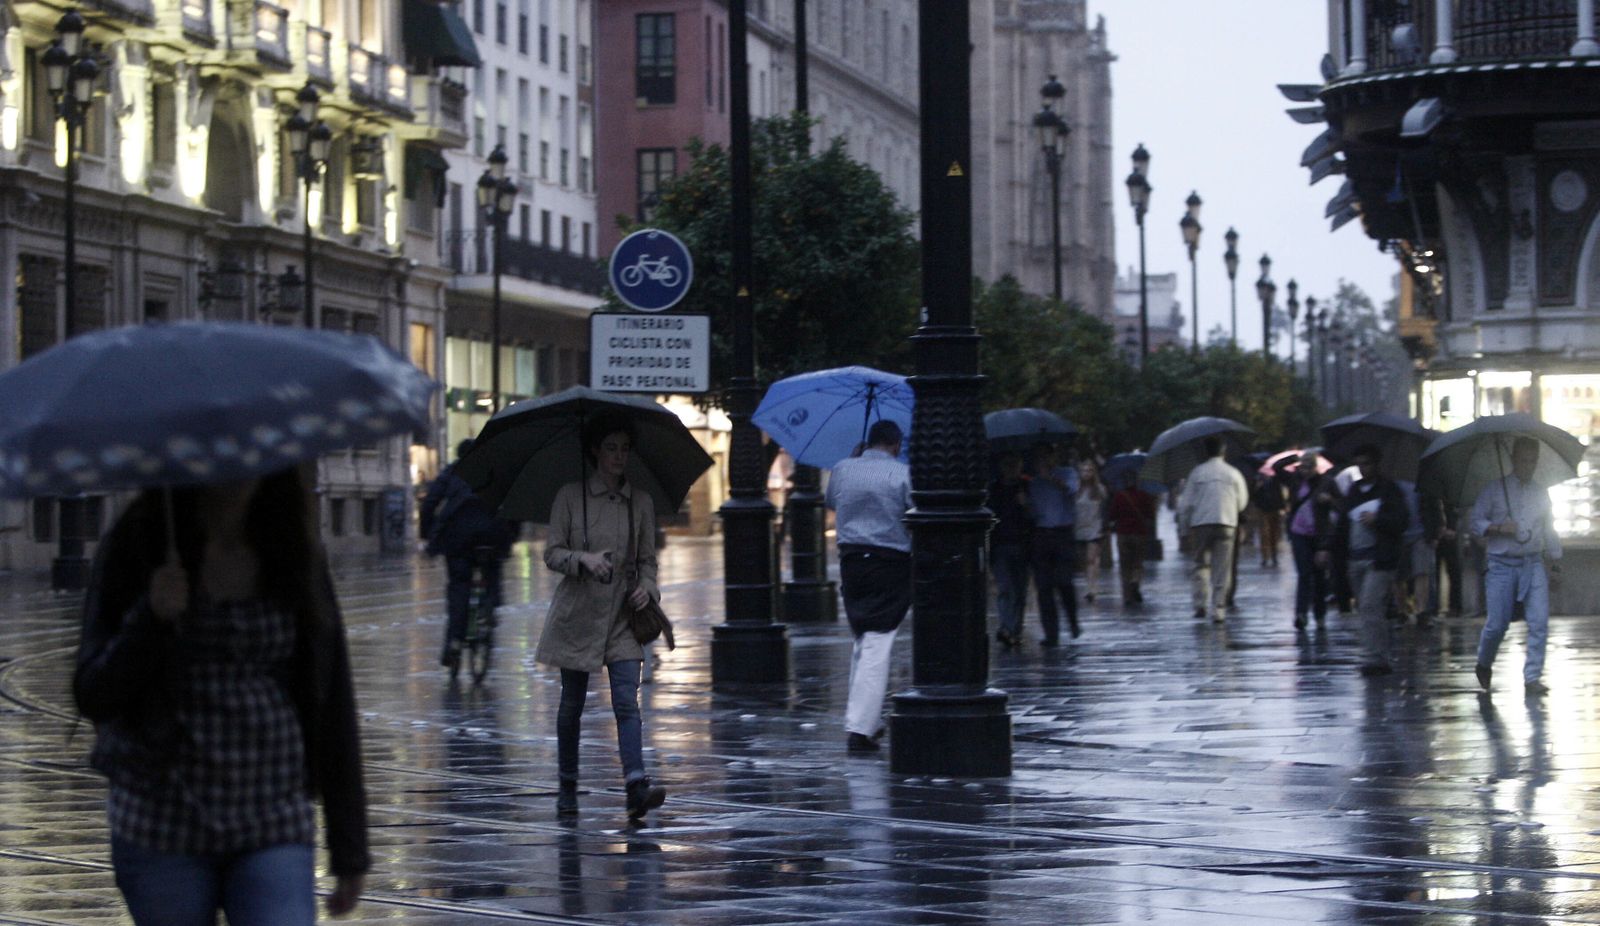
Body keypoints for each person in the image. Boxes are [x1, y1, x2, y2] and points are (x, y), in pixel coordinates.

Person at [74, 468, 369, 925]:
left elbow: (332, 702)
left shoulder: (292, 549)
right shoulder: (138, 543)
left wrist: (349, 848)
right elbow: (93, 691)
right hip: (161, 819)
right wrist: (149, 619)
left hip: (273, 813)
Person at [537, 414, 666, 818]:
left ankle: (635, 785)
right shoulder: (569, 497)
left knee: (627, 701)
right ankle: (568, 784)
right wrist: (583, 560)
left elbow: (648, 561)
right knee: (571, 703)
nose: (619, 456)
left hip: (625, 616)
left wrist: (649, 587)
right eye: (610, 447)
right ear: (594, 451)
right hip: (577, 614)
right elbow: (552, 553)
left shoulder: (640, 502)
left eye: (625, 448)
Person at [827, 419, 914, 752]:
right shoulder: (901, 473)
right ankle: (860, 729)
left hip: (851, 562)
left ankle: (866, 720)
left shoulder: (843, 468)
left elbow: (832, 502)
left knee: (864, 640)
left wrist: (852, 462)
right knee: (878, 642)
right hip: (890, 563)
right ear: (894, 444)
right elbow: (912, 510)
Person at [1471, 436, 1562, 696]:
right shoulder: (1494, 490)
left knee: (1539, 621)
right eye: (1523, 460)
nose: (1528, 465)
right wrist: (1498, 528)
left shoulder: (1541, 493)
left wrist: (1555, 563)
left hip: (1532, 563)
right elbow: (1476, 521)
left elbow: (1549, 529)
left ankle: (1532, 677)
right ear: (1514, 459)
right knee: (1497, 624)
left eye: (1532, 460)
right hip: (1501, 564)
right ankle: (1484, 662)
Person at [420, 438, 518, 670]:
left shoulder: (452, 472)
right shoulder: (497, 474)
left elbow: (429, 504)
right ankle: (489, 609)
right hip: (493, 536)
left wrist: (427, 536)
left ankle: (454, 641)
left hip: (458, 539)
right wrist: (511, 537)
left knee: (459, 588)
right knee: (492, 574)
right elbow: (514, 506)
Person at [1326, 444, 1409, 676]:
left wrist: (1378, 519)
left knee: (1371, 605)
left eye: (1367, 463)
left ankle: (1376, 657)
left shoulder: (1389, 489)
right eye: (1359, 464)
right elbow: (1343, 522)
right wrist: (1327, 548)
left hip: (1379, 559)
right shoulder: (1354, 490)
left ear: (1376, 464)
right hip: (1355, 558)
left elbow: (1401, 521)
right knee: (1366, 609)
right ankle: (1376, 650)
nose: (1363, 468)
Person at [1177, 436, 1249, 623]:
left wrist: (1184, 531)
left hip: (1201, 524)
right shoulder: (1233, 473)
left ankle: (1200, 603)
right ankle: (1218, 608)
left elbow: (1185, 505)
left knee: (1200, 564)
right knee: (1222, 568)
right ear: (1223, 450)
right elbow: (1242, 501)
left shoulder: (1197, 473)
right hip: (1227, 523)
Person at [1028, 442, 1081, 642]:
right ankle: (1051, 632)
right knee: (1044, 586)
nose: (1044, 461)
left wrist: (1050, 478)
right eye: (1040, 458)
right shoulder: (1033, 483)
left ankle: (1073, 621)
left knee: (1064, 581)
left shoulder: (1067, 473)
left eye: (1047, 457)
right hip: (1042, 535)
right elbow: (1033, 513)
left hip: (1063, 534)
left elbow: (1071, 491)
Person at [988, 451, 1032, 648]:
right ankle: (1006, 627)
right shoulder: (994, 490)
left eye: (1015, 465)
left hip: (1023, 544)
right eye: (1008, 465)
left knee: (1020, 590)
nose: (1012, 469)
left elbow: (1034, 517)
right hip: (1001, 545)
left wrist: (1026, 505)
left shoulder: (1026, 487)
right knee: (1005, 588)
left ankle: (1015, 628)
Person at [1285, 450, 1333, 630]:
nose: (1304, 470)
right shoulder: (1295, 481)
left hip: (1319, 536)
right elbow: (1276, 468)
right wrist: (1293, 459)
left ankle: (1320, 614)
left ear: (1315, 467)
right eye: (1301, 467)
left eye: (1308, 466)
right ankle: (1301, 614)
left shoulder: (1327, 482)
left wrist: (1329, 499)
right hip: (1299, 533)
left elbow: (1342, 504)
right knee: (1304, 574)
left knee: (1319, 576)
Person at [1108, 472, 1157, 605]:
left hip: (1123, 534)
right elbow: (1151, 515)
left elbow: (1112, 515)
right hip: (1139, 534)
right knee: (1138, 563)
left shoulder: (1119, 496)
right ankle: (1135, 581)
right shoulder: (1144, 495)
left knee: (1124, 566)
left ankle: (1127, 597)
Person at [1074, 460, 1108, 603]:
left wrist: (1105, 526)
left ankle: (1092, 588)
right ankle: (1090, 584)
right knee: (1083, 561)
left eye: (1089, 470)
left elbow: (1105, 509)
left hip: (1095, 528)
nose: (1086, 473)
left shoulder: (1100, 489)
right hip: (1079, 528)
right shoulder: (1075, 489)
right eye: (1083, 470)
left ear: (1094, 473)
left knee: (1091, 559)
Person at [1252, 460, 1290, 567]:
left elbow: (1279, 494)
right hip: (1263, 510)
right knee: (1264, 534)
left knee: (1274, 534)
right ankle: (1265, 557)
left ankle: (1273, 556)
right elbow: (1253, 496)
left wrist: (1282, 506)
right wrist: (1257, 488)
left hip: (1274, 509)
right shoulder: (1258, 479)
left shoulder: (1276, 479)